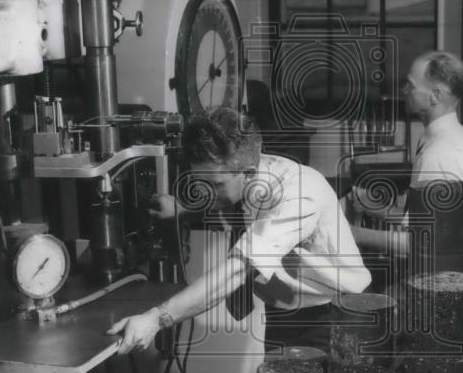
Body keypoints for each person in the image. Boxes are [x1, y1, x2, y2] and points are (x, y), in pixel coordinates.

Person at [108, 106, 372, 355]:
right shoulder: (247, 176)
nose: (205, 192)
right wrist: (184, 210)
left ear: (248, 172)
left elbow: (237, 271)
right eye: (199, 182)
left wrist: (156, 318)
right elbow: (233, 200)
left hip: (334, 318)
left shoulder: (300, 193)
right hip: (286, 310)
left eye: (216, 184)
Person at [346, 50, 463, 262]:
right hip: (459, 263)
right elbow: (435, 218)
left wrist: (351, 233)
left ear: (435, 96)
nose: (404, 90)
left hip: (449, 275)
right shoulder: (462, 139)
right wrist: (381, 210)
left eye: (411, 85)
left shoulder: (439, 155)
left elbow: (420, 244)